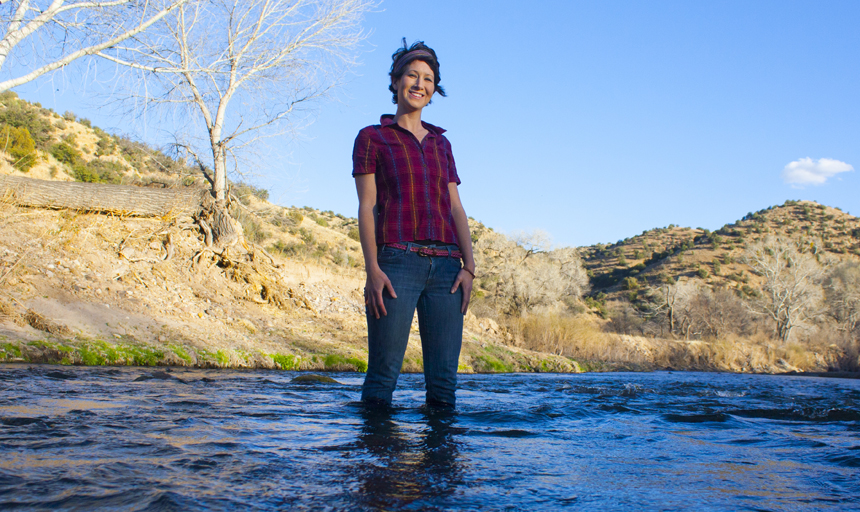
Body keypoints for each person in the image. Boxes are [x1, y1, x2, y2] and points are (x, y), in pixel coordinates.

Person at [352, 39, 475, 408]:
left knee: (443, 386)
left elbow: (455, 207)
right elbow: (367, 206)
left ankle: (440, 467)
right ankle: (378, 465)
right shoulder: (372, 137)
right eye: (412, 75)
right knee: (382, 377)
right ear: (395, 81)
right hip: (396, 264)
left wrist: (469, 267)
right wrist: (372, 269)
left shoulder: (442, 144)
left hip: (447, 271)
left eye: (428, 78)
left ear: (434, 89)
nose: (419, 84)